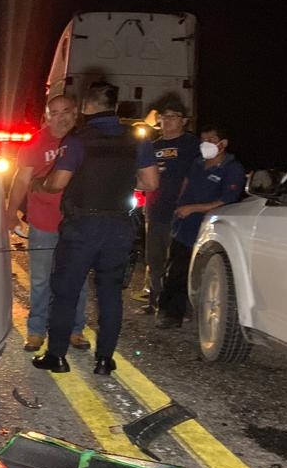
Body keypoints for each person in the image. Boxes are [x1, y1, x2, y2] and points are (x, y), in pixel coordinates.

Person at [32, 83, 159, 375]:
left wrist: (40, 184)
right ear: (114, 106)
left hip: (82, 227)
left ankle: (57, 357)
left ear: (87, 106)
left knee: (65, 292)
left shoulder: (78, 140)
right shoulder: (136, 139)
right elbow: (151, 183)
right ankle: (104, 360)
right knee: (111, 294)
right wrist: (124, 182)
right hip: (119, 226)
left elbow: (58, 183)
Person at [6, 94, 89, 352]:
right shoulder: (35, 144)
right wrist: (10, 212)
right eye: (54, 112)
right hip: (44, 223)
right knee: (41, 281)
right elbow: (21, 180)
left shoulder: (84, 141)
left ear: (75, 113)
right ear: (47, 116)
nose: (60, 117)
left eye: (66, 111)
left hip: (77, 223)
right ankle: (36, 331)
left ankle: (76, 330)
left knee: (79, 280)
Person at [156, 125, 245, 328]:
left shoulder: (232, 169)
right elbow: (186, 185)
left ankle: (176, 314)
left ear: (223, 144)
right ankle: (165, 308)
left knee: (187, 271)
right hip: (183, 225)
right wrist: (180, 206)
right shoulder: (198, 163)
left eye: (211, 140)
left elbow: (226, 200)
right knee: (173, 267)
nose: (206, 144)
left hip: (207, 229)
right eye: (203, 140)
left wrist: (194, 208)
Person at [139, 98, 200, 314]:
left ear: (183, 120)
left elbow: (195, 175)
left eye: (173, 116)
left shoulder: (191, 144)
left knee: (177, 261)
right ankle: (154, 300)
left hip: (180, 212)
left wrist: (185, 201)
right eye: (164, 117)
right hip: (155, 210)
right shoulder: (153, 146)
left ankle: (179, 306)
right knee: (154, 258)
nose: (167, 120)